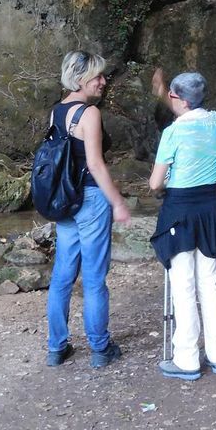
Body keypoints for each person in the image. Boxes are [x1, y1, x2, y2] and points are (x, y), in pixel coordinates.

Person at [46, 51, 131, 369]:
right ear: (80, 79)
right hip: (91, 199)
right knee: (94, 278)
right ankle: (99, 348)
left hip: (64, 199)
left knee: (62, 276)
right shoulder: (89, 114)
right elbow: (94, 164)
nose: (103, 81)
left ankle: (56, 347)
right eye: (98, 76)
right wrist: (118, 202)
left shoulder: (54, 113)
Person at [149, 69, 216, 380]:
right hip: (211, 207)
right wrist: (164, 92)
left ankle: (187, 359)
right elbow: (186, 110)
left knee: (183, 284)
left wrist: (160, 179)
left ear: (178, 99)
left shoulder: (172, 133)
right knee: (209, 282)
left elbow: (156, 183)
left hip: (180, 210)